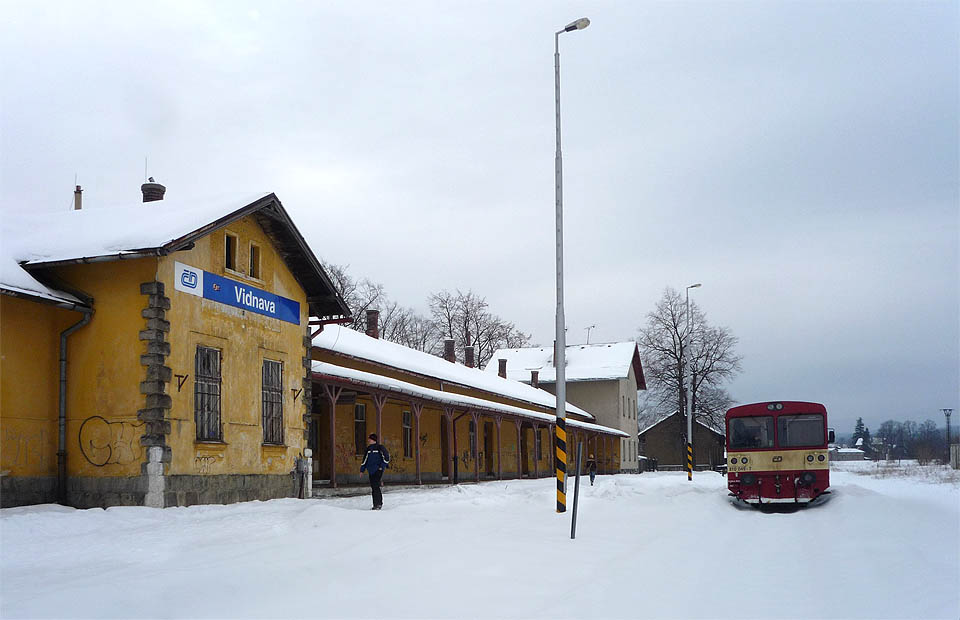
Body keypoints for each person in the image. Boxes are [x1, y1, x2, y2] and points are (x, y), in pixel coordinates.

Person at [360, 433, 390, 510]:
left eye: (369, 439)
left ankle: (378, 504)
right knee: (373, 487)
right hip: (370, 470)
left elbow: (386, 457)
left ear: (373, 439)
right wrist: (362, 470)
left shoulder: (380, 448)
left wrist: (381, 467)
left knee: (376, 486)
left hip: (378, 470)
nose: (368, 440)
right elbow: (365, 460)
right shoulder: (368, 449)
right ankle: (375, 504)